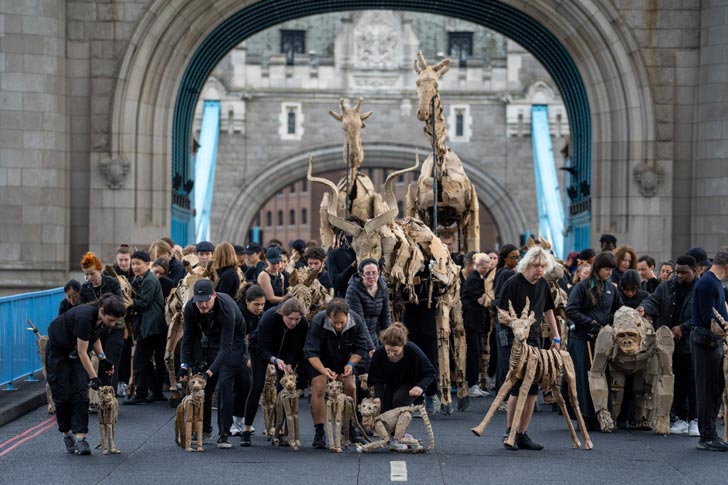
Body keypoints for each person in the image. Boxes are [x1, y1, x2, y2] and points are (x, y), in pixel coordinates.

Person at [497, 245, 562, 451]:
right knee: (517, 384)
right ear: (527, 264)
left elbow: (549, 310)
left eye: (543, 266)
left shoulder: (543, 284)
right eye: (536, 266)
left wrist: (557, 336)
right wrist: (515, 324)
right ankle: (510, 432)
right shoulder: (513, 283)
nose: (539, 270)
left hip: (534, 339)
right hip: (512, 339)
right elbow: (500, 312)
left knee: (533, 386)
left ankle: (523, 433)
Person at [46, 294, 126, 455]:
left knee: (81, 394)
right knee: (62, 396)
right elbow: (83, 352)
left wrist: (103, 359)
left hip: (76, 354)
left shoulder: (101, 319)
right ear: (101, 310)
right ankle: (67, 434)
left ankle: (81, 439)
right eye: (110, 319)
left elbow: (94, 337)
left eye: (115, 321)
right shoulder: (84, 317)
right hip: (58, 353)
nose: (112, 324)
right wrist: (94, 377)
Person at [179, 279, 250, 449]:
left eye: (206, 301)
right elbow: (188, 338)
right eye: (199, 301)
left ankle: (224, 433)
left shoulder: (226, 308)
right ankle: (204, 429)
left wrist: (209, 372)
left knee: (224, 385)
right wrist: (184, 365)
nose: (202, 305)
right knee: (205, 386)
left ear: (214, 296)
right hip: (209, 337)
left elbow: (225, 348)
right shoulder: (190, 308)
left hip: (233, 340)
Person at [637, 254, 698, 437]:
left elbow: (703, 314)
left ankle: (695, 419)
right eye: (676, 272)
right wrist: (643, 308)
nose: (679, 276)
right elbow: (653, 301)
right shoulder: (666, 287)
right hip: (669, 344)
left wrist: (683, 328)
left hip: (692, 343)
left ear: (694, 271)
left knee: (693, 383)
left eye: (683, 273)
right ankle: (680, 418)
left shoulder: (700, 288)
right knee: (675, 381)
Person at [566, 251, 622, 431]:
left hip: (603, 340)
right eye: (606, 269)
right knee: (583, 379)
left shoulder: (612, 289)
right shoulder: (582, 287)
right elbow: (571, 310)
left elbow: (619, 309)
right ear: (597, 268)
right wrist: (589, 323)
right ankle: (585, 416)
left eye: (611, 269)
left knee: (601, 377)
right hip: (582, 339)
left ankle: (600, 414)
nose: (609, 272)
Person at [243, 297, 309, 446]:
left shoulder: (303, 324)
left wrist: (290, 363)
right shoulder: (270, 317)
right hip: (261, 349)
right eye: (290, 319)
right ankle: (246, 429)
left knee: (283, 389)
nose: (293, 322)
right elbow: (261, 347)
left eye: (297, 319)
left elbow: (297, 348)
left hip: (285, 352)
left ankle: (279, 431)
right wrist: (274, 360)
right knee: (257, 385)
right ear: (282, 314)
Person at [305, 298, 369, 449]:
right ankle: (319, 431)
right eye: (335, 323)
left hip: (345, 359)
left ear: (347, 315)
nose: (338, 326)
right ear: (328, 317)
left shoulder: (356, 321)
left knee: (351, 386)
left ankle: (349, 427)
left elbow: (361, 348)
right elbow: (310, 351)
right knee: (319, 387)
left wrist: (350, 364)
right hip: (320, 359)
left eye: (341, 322)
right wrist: (323, 370)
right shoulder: (318, 321)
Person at [689, 246, 728, 451]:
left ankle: (710, 432)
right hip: (706, 342)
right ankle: (707, 435)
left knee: (715, 388)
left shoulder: (715, 283)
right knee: (707, 389)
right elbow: (707, 317)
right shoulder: (708, 283)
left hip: (713, 343)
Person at [124, 250, 166, 405]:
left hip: (151, 327)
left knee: (140, 361)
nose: (134, 266)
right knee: (146, 360)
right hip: (149, 325)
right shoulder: (141, 278)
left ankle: (141, 393)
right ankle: (156, 392)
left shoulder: (149, 280)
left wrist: (128, 302)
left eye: (137, 264)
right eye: (133, 263)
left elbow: (143, 303)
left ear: (147, 264)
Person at [79, 252, 124, 391]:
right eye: (86, 275)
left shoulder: (112, 282)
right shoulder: (84, 288)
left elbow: (120, 304)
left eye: (92, 273)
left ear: (99, 270)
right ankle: (98, 397)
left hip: (114, 328)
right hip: (96, 330)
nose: (89, 278)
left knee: (110, 362)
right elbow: (82, 310)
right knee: (98, 361)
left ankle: (111, 395)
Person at [367, 323, 436, 413]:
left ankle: (402, 423)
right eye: (388, 351)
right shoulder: (379, 353)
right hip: (391, 383)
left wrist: (420, 387)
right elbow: (377, 378)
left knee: (399, 399)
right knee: (384, 409)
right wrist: (378, 396)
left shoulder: (413, 351)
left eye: (395, 351)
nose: (391, 354)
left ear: (403, 345)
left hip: (411, 383)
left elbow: (430, 372)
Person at [461, 253, 491, 398]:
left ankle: (473, 383)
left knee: (476, 351)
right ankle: (471, 384)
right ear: (476, 265)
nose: (486, 270)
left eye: (488, 268)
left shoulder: (479, 277)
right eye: (484, 268)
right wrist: (490, 291)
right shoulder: (474, 279)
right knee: (473, 351)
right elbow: (481, 301)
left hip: (477, 321)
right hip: (471, 321)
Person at [345, 258, 391, 349]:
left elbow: (385, 316)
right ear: (362, 274)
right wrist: (371, 347)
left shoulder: (382, 286)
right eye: (367, 273)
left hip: (373, 334)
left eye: (374, 273)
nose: (371, 276)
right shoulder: (353, 290)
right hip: (356, 336)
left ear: (378, 273)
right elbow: (359, 320)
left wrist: (389, 340)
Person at [258, 246, 289, 311]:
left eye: (277, 263)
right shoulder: (264, 275)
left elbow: (281, 295)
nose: (275, 266)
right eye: (273, 263)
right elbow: (271, 298)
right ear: (267, 260)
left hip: (278, 309)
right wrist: (287, 298)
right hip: (267, 310)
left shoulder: (281, 276)